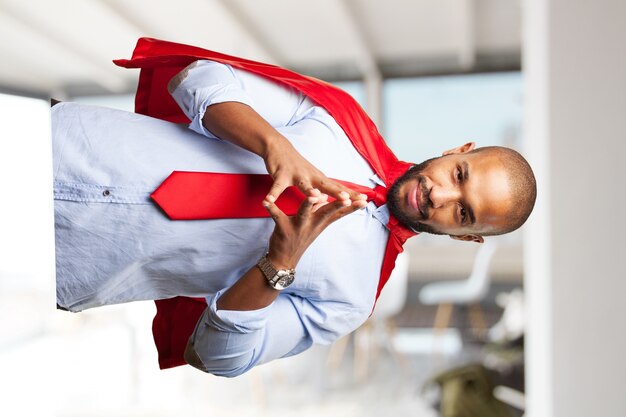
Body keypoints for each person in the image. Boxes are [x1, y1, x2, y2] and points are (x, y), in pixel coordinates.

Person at [54, 39, 536, 377]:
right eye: (460, 176)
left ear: (466, 237)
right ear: (458, 151)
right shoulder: (339, 120)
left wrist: (277, 264)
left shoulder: (352, 298)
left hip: (70, 266)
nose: (441, 197)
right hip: (64, 144)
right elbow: (197, 77)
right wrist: (272, 144)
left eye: (464, 214)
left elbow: (216, 358)